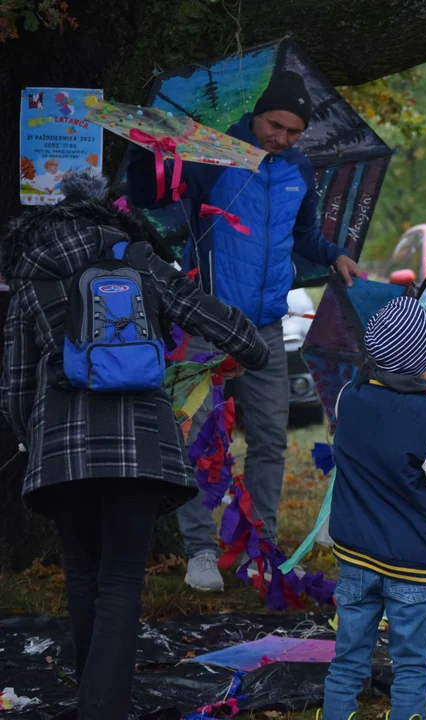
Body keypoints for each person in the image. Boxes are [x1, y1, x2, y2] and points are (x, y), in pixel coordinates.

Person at [0, 168, 269, 719]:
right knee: (121, 578)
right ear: (109, 216)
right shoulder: (142, 262)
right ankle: (102, 708)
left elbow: (14, 387)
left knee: (82, 569)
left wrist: (34, 438)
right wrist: (249, 352)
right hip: (142, 445)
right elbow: (231, 330)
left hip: (60, 448)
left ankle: (91, 698)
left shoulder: (31, 279)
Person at [126, 70, 364, 591]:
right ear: (257, 114)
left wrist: (335, 254)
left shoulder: (299, 169)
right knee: (198, 437)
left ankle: (262, 552)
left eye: (294, 131)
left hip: (266, 327)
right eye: (276, 125)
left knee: (270, 442)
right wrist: (146, 149)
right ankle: (201, 552)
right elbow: (146, 194)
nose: (282, 138)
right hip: (205, 319)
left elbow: (304, 235)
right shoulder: (214, 156)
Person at [323, 296, 426, 720]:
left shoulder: (348, 399)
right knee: (410, 661)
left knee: (349, 653)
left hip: (354, 554)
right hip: (409, 562)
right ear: (418, 363)